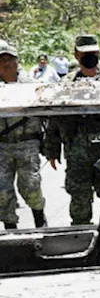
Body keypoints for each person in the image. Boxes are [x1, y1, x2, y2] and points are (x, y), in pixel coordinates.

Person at [43, 35, 100, 225]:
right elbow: (55, 118)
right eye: (84, 54)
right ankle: (81, 234)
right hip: (77, 152)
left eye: (92, 53)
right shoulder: (66, 85)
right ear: (76, 55)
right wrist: (52, 150)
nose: (89, 57)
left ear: (99, 53)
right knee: (79, 195)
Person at [0, 42, 47, 229]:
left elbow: (48, 114)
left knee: (31, 185)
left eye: (10, 59)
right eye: (2, 60)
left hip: (27, 144)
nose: (6, 63)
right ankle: (10, 228)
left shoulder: (32, 86)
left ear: (18, 61)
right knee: (2, 191)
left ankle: (39, 218)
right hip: (2, 146)